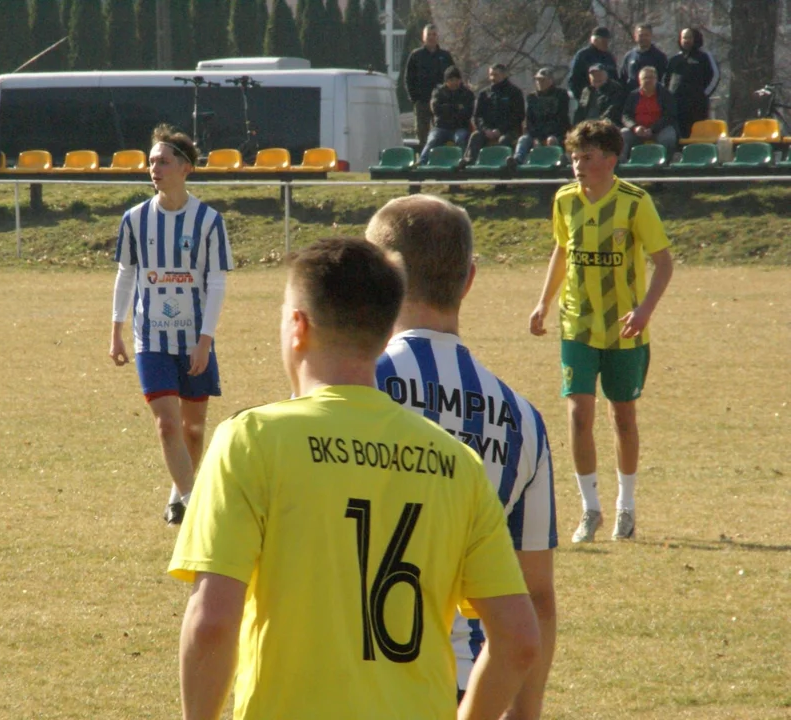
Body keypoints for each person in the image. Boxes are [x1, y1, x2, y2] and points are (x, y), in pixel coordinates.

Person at [170, 236, 539, 720]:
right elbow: (518, 640)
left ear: (298, 327)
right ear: (385, 334)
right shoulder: (458, 463)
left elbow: (212, 623)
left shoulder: (251, 440)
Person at [368, 195, 557, 718]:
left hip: (358, 675)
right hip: (470, 683)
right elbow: (536, 597)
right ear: (469, 278)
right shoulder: (523, 419)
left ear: (379, 277)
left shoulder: (351, 385)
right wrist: (525, 711)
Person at [529, 119, 674, 544]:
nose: (576, 164)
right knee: (578, 414)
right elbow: (562, 248)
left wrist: (645, 309)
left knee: (623, 417)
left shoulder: (634, 202)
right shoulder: (564, 201)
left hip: (625, 329)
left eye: (586, 157)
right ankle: (589, 509)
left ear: (610, 160)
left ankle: (625, 508)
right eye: (574, 156)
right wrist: (544, 302)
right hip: (577, 323)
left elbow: (664, 262)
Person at [110, 124, 233, 526]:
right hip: (151, 339)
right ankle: (194, 500)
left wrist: (205, 341)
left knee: (193, 429)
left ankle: (177, 495)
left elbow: (216, 282)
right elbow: (127, 273)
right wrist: (117, 329)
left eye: (163, 161)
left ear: (185, 168)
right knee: (167, 425)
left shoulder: (210, 221)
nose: (154, 169)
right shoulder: (135, 219)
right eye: (151, 162)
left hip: (194, 340)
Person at [404, 24, 456, 147]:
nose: (431, 37)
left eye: (434, 34)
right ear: (423, 37)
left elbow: (453, 77)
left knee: (441, 133)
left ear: (438, 37)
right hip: (422, 102)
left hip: (442, 102)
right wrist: (414, 98)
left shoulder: (445, 56)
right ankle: (423, 161)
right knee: (422, 135)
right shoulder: (416, 55)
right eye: (429, 35)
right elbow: (408, 78)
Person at [664, 27, 719, 140]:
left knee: (697, 136)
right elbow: (666, 80)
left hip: (697, 106)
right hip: (677, 106)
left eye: (689, 37)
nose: (686, 40)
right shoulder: (674, 59)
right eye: (684, 37)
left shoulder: (704, 57)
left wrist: (703, 94)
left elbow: (715, 76)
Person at [464, 63, 525, 165]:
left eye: (496, 75)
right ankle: (468, 162)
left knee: (504, 140)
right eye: (491, 75)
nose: (492, 78)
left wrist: (500, 130)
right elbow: (477, 116)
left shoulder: (514, 93)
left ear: (504, 75)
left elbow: (518, 116)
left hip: (508, 131)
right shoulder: (484, 94)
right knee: (475, 136)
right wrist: (485, 129)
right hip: (487, 130)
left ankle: (502, 166)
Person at [417, 65, 474, 164]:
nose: (454, 82)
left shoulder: (467, 94)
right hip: (441, 127)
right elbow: (436, 109)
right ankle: (421, 162)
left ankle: (463, 162)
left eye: (456, 79)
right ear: (446, 81)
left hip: (460, 127)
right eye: (451, 80)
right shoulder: (438, 92)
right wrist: (456, 107)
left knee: (461, 139)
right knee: (432, 140)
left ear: (460, 80)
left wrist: (447, 108)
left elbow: (467, 113)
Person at [620, 66, 678, 163]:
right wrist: (635, 127)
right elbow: (625, 116)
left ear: (656, 79)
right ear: (639, 80)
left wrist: (653, 129)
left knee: (669, 135)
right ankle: (622, 165)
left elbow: (670, 115)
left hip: (659, 130)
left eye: (651, 77)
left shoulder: (665, 94)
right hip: (638, 131)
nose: (648, 80)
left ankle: (665, 164)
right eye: (645, 78)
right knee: (622, 134)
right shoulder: (633, 95)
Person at [515, 67, 570, 165]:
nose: (539, 82)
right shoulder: (532, 97)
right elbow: (529, 121)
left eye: (543, 80)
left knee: (552, 140)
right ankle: (517, 161)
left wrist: (548, 135)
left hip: (556, 132)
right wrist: (536, 137)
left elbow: (561, 119)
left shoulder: (561, 95)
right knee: (523, 139)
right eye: (537, 80)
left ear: (551, 80)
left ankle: (558, 163)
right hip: (536, 133)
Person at [567, 26, 618, 102]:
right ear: (594, 40)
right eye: (603, 41)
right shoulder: (583, 55)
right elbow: (573, 80)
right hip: (588, 98)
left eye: (608, 41)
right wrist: (581, 98)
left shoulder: (609, 57)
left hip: (607, 99)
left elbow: (615, 78)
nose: (606, 44)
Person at [620, 23, 668, 93]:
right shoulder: (629, 57)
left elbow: (664, 80)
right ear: (635, 37)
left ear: (651, 36)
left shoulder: (659, 57)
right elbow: (623, 79)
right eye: (641, 35)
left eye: (646, 35)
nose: (643, 38)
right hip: (632, 99)